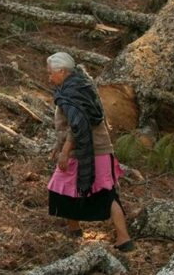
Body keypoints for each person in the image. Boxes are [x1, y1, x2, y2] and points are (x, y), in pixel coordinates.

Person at [46, 52, 134, 252]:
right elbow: (71, 124)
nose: (49, 77)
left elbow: (77, 126)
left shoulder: (73, 90)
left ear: (62, 71)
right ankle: (74, 229)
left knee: (105, 193)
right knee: (65, 186)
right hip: (87, 149)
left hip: (93, 150)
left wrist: (65, 151)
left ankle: (123, 238)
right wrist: (58, 147)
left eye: (51, 73)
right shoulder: (79, 86)